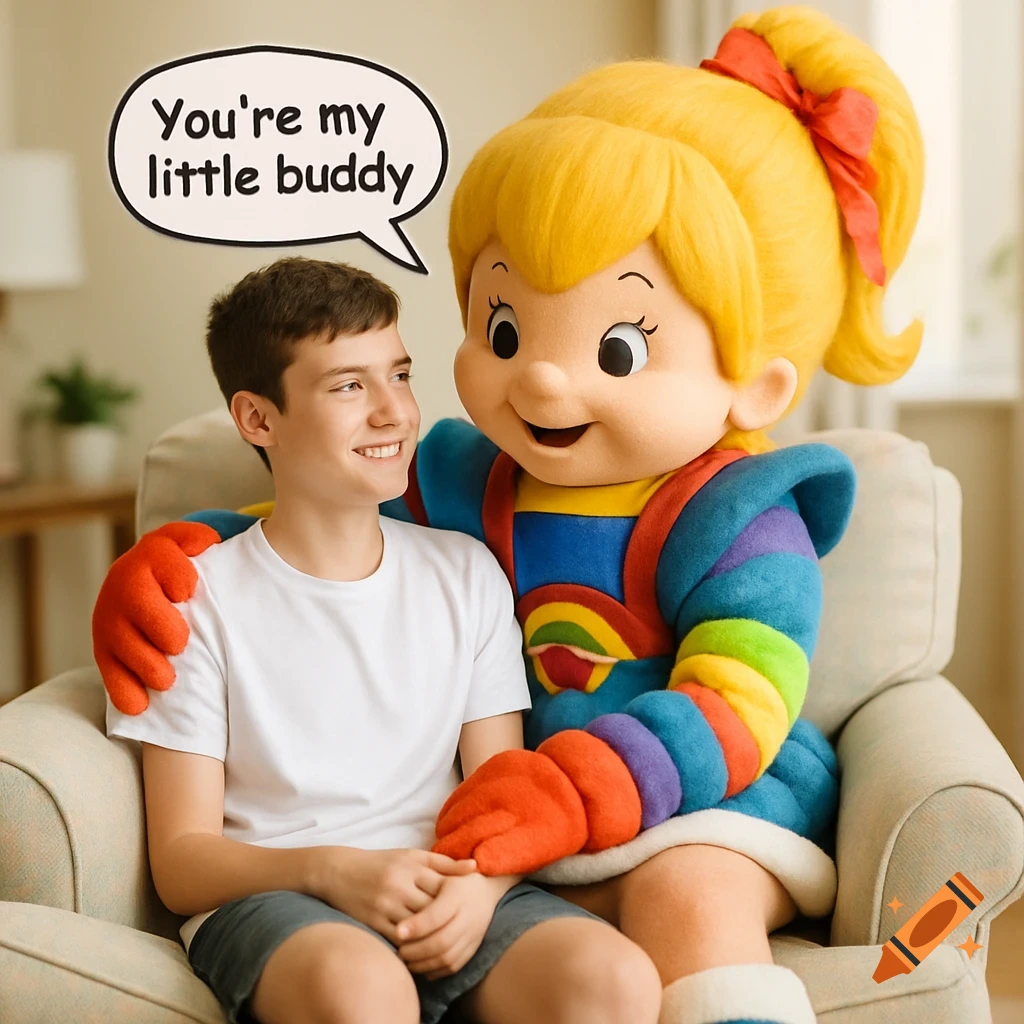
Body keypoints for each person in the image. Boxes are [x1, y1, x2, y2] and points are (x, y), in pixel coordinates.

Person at [96, 7, 926, 1023]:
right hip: (492, 836)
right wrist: (187, 549)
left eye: (615, 345)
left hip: (692, 803)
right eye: (503, 325)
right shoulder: (464, 483)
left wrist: (542, 819)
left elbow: (738, 699)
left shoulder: (732, 520)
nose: (536, 373)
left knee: (679, 902)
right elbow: (321, 517)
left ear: (758, 384)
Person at [103, 257, 662, 1024]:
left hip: (450, 886)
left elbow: (498, 789)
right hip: (279, 899)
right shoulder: (191, 600)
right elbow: (181, 861)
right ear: (257, 418)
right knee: (361, 991)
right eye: (347, 385)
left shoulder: (464, 573)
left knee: (612, 978)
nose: (394, 411)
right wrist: (335, 872)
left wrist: (485, 884)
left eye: (398, 374)